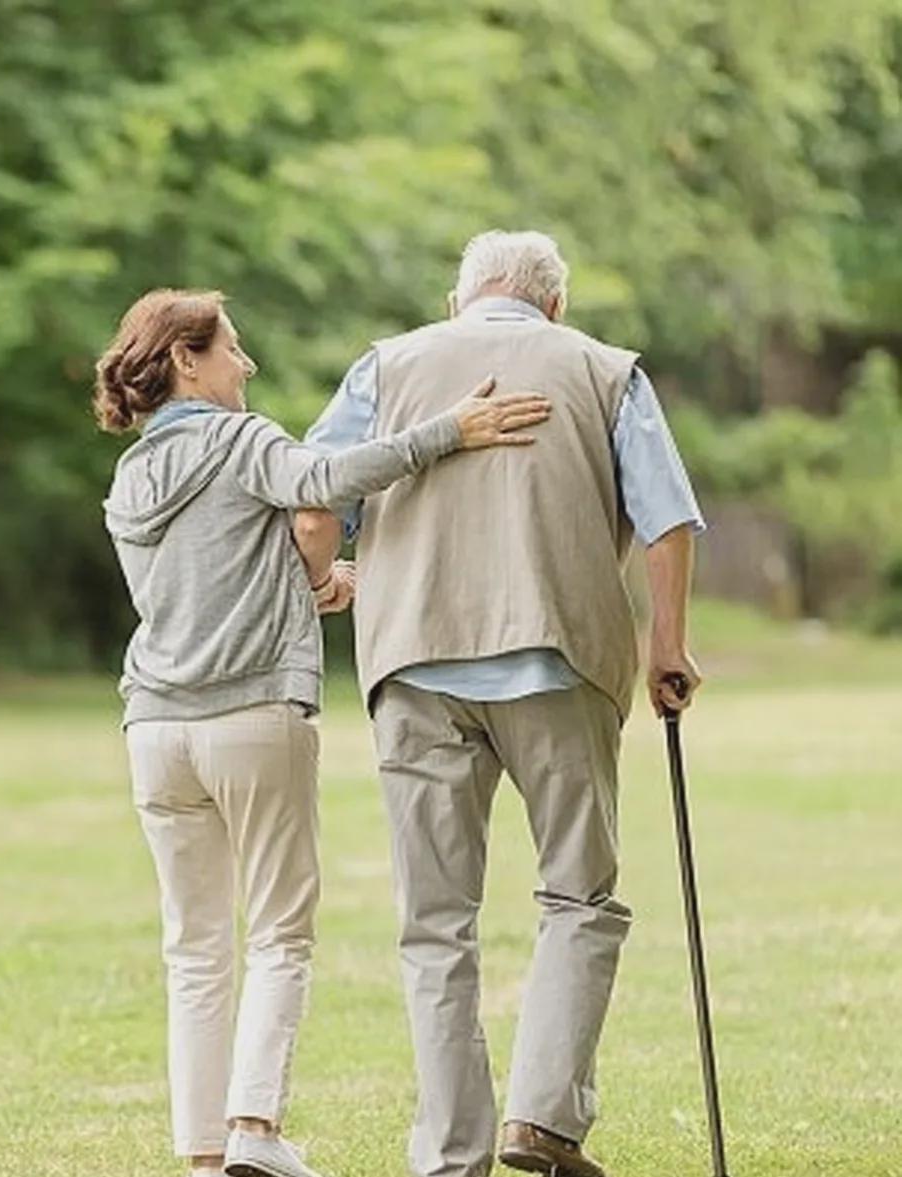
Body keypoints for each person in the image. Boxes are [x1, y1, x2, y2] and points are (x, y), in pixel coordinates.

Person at [97, 288, 552, 1177]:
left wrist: (305, 587)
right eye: (231, 347)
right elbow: (325, 487)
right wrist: (448, 431)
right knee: (277, 932)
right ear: (187, 361)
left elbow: (205, 581)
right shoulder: (241, 439)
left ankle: (201, 1152)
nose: (247, 365)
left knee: (194, 946)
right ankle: (255, 1131)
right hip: (253, 715)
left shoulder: (130, 478)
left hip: (154, 726)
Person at [296, 230, 705, 1177]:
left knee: (435, 922)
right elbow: (668, 517)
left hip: (416, 668)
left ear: (458, 301)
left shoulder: (386, 366)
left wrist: (322, 578)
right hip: (562, 664)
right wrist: (667, 646)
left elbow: (316, 505)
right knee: (579, 894)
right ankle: (544, 1120)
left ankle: (450, 1154)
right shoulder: (606, 370)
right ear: (552, 306)